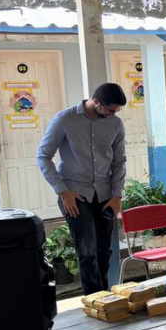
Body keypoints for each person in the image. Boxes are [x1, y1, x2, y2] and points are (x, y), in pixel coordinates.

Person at [37, 83, 127, 295]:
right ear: (96, 102)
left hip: (106, 195)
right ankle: (94, 300)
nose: (113, 114)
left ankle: (104, 297)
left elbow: (119, 161)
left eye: (117, 111)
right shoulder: (64, 120)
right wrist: (62, 190)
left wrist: (117, 195)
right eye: (110, 110)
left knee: (104, 250)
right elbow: (43, 157)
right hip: (75, 195)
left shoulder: (115, 123)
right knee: (87, 252)